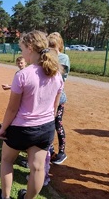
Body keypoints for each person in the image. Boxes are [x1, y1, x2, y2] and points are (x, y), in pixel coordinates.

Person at [0, 30, 64, 199]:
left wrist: (3, 128)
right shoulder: (57, 74)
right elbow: (55, 107)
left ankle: (5, 196)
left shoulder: (23, 75)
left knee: (7, 160)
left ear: (30, 48)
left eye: (22, 48)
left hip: (21, 128)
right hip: (45, 128)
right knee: (37, 168)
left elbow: (12, 109)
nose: (21, 52)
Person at [47, 32, 70, 164]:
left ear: (59, 46)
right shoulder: (46, 56)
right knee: (47, 125)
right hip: (46, 98)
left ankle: (62, 152)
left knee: (57, 124)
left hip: (58, 98)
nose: (51, 49)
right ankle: (49, 151)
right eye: (49, 46)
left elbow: (60, 79)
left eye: (53, 46)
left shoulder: (64, 58)